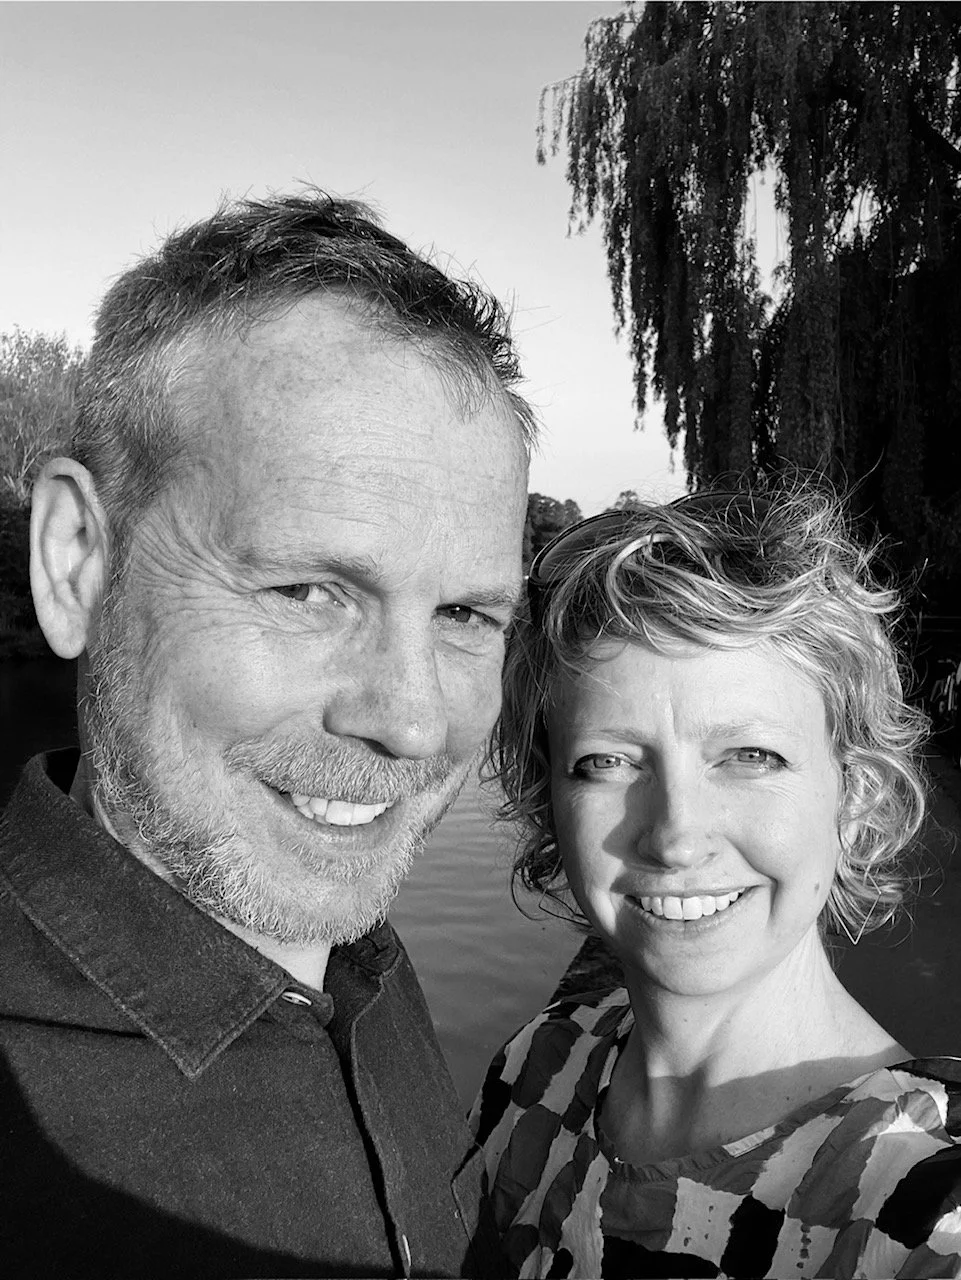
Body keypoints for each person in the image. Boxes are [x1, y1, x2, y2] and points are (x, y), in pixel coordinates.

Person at [0, 190, 534, 1276]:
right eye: (304, 590)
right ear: (76, 561)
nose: (412, 719)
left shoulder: (363, 962)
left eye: (467, 615)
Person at [469, 484, 961, 1278]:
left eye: (748, 756)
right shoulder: (537, 1071)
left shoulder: (919, 1205)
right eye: (607, 763)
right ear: (548, 800)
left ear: (857, 793)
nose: (672, 835)